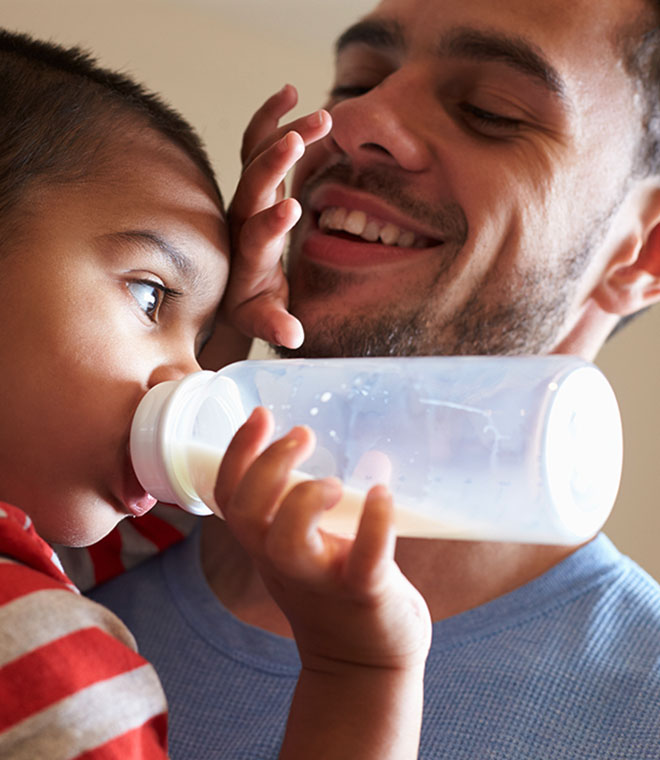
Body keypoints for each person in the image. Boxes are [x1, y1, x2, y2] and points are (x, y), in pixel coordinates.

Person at [91, 0, 660, 757]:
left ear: (643, 254)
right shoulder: (74, 523)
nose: (358, 121)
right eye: (358, 79)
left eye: (490, 111)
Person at [0, 29, 433, 759]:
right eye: (149, 295)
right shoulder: (42, 662)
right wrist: (360, 675)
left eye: (202, 346)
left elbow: (146, 520)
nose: (195, 380)